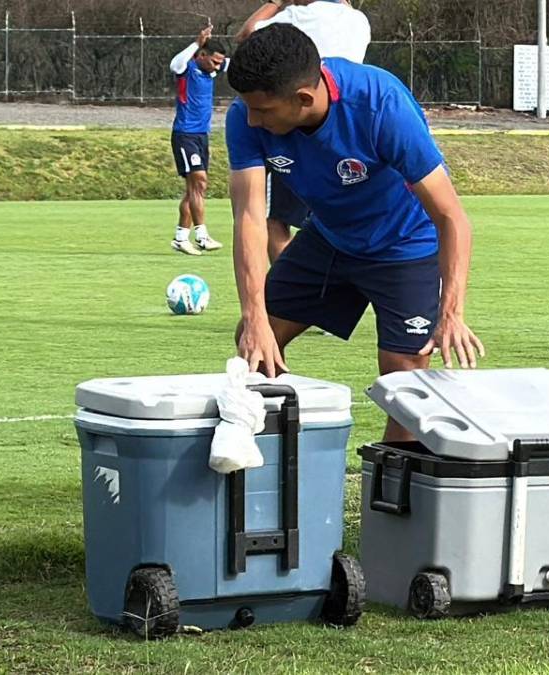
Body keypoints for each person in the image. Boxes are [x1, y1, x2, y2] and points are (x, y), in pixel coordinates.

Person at [225, 24, 485, 441]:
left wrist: (451, 313)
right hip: (330, 237)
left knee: (405, 382)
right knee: (254, 343)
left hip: (405, 243)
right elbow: (251, 219)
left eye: (263, 111)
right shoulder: (246, 116)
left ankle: (393, 495)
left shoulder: (380, 105)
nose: (251, 118)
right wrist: (254, 317)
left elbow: (452, 217)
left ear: (303, 99)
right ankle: (266, 476)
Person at [236, 0, 372, 263]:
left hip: (293, 126)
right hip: (345, 129)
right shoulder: (359, 21)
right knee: (342, 219)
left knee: (276, 221)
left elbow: (247, 36)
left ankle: (295, 291)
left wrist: (275, 2)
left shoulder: (294, 17)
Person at [169, 25, 229, 256]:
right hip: (185, 134)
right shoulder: (188, 68)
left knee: (194, 189)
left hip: (202, 135)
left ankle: (181, 237)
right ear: (201, 55)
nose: (217, 66)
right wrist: (197, 42)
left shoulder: (210, 70)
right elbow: (175, 64)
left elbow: (235, 64)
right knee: (200, 181)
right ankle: (202, 235)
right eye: (213, 61)